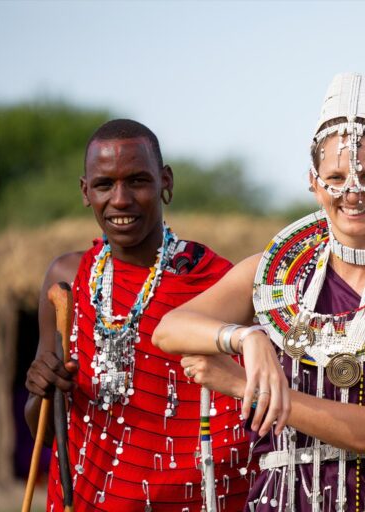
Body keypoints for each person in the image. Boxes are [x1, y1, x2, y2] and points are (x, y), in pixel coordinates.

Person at [153, 72, 365, 512]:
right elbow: (169, 328)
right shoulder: (271, 276)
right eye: (336, 177)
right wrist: (247, 338)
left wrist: (244, 384)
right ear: (313, 183)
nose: (352, 192)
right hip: (280, 499)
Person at [24, 119, 256, 510]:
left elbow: (247, 412)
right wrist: (41, 392)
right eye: (104, 185)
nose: (120, 199)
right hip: (82, 500)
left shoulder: (214, 284)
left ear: (165, 181)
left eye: (137, 181)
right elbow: (49, 433)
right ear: (85, 192)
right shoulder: (66, 281)